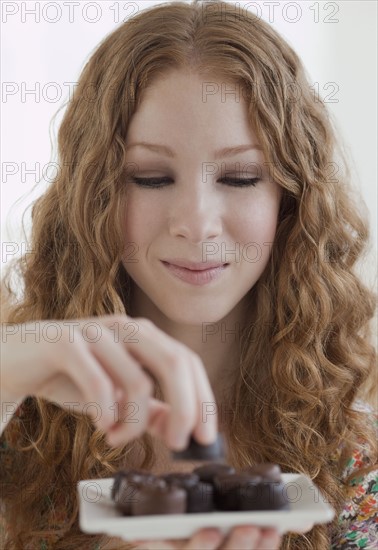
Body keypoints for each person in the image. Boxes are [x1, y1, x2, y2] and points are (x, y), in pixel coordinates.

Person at [1, 0, 377, 548]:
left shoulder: (354, 455)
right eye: (150, 177)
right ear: (93, 196)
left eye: (242, 177)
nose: (197, 224)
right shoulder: (20, 423)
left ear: (291, 200)